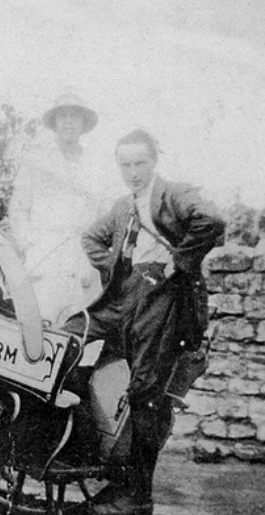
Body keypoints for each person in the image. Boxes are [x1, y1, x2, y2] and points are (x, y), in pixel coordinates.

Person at [63, 129, 225, 515]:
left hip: (164, 300)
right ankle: (75, 451)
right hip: (124, 296)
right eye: (126, 165)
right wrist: (118, 269)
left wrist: (175, 263)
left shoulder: (174, 194)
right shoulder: (123, 206)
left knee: (145, 391)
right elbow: (90, 238)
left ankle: (137, 496)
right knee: (67, 337)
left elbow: (212, 220)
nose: (133, 172)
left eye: (140, 163)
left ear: (154, 162)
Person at [7, 92, 105, 326]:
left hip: (80, 254)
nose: (69, 122)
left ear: (83, 124)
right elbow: (19, 208)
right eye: (63, 116)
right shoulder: (37, 159)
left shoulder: (94, 165)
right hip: (45, 251)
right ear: (55, 123)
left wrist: (95, 250)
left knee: (78, 323)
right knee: (40, 321)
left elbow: (102, 211)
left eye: (75, 117)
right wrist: (29, 242)